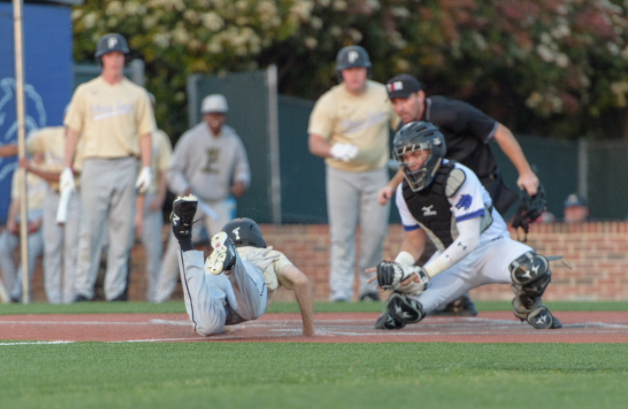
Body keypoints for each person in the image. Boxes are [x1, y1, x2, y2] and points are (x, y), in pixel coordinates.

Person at [369, 122, 561, 330]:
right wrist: (400, 266)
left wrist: (425, 272)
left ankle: (526, 306)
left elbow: (469, 240)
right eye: (404, 157)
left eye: (416, 154)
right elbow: (413, 241)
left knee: (533, 268)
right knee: (401, 311)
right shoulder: (403, 193)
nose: (411, 163)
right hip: (451, 261)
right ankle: (406, 303)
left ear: (434, 150)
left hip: (491, 249)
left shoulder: (458, 177)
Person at [379, 74, 541, 315]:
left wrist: (525, 172)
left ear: (420, 96)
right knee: (439, 239)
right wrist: (392, 186)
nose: (399, 107)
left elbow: (499, 131)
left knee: (465, 240)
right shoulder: (407, 129)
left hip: (480, 180)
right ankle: (454, 298)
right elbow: (413, 166)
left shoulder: (450, 112)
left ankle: (507, 283)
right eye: (394, 102)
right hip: (443, 190)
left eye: (404, 99)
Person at [62, 33, 155, 302]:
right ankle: (82, 288)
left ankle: (116, 292)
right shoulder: (85, 91)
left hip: (126, 163)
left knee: (122, 232)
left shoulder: (137, 94)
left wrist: (146, 168)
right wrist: (67, 167)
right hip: (94, 164)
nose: (115, 60)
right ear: (102, 58)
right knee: (89, 229)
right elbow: (72, 132)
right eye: (110, 55)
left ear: (124, 58)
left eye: (119, 55)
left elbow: (146, 134)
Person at [308, 45, 400, 302]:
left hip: (376, 173)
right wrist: (333, 150)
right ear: (341, 73)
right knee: (341, 234)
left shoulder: (382, 94)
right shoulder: (330, 100)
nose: (354, 74)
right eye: (348, 69)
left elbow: (403, 124)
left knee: (374, 233)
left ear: (366, 70)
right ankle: (341, 290)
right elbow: (315, 143)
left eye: (358, 68)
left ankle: (369, 289)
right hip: (341, 174)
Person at [170, 195, 315, 336]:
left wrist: (219, 326)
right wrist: (309, 331)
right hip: (250, 269)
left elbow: (197, 308)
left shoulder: (213, 260)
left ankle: (184, 241)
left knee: (206, 326)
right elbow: (301, 281)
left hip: (215, 276)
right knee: (252, 310)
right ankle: (234, 266)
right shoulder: (268, 254)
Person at [153, 94, 250, 302]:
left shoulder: (232, 140)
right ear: (204, 116)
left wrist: (241, 180)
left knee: (227, 246)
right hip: (191, 200)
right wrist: (183, 187)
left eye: (220, 114)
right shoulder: (191, 137)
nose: (216, 118)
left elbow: (242, 167)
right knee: (177, 246)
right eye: (212, 114)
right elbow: (173, 170)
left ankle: (230, 296)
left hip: (217, 201)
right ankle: (159, 296)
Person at [135, 94, 173, 301]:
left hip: (150, 199)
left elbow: (165, 170)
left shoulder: (159, 137)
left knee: (153, 252)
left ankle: (155, 299)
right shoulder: (126, 133)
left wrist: (161, 197)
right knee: (118, 250)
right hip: (127, 200)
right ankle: (116, 298)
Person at [0, 155, 46, 302]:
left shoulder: (50, 169)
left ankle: (18, 293)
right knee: (3, 247)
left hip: (42, 218)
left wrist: (38, 222)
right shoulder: (21, 172)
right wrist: (11, 221)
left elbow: (52, 203)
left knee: (31, 249)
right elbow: (16, 200)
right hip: (22, 216)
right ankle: (13, 293)